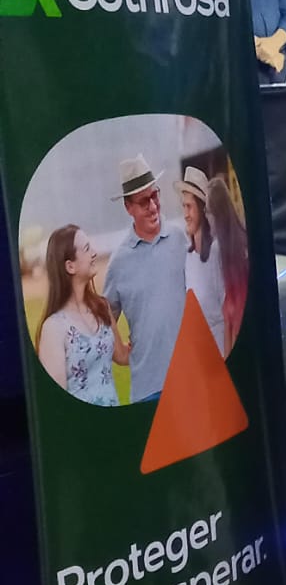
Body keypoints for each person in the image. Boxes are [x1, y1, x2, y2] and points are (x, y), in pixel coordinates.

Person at [103, 154, 188, 403]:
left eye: (155, 196)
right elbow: (104, 317)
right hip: (147, 389)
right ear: (128, 207)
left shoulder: (181, 240)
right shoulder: (118, 263)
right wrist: (120, 353)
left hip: (190, 377)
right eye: (143, 202)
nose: (153, 206)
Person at [36, 224, 129, 406]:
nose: (94, 253)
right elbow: (56, 402)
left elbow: (122, 355)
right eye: (87, 249)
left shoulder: (102, 307)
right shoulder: (53, 328)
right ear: (70, 266)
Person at [175, 166, 225, 355]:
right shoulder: (187, 256)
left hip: (219, 347)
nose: (185, 214)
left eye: (189, 206)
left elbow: (226, 308)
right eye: (184, 206)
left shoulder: (216, 252)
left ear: (203, 209)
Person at [206, 176, 249, 356]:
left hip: (230, 333)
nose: (206, 218)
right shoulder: (244, 239)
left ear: (216, 214)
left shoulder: (217, 250)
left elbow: (217, 306)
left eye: (208, 211)